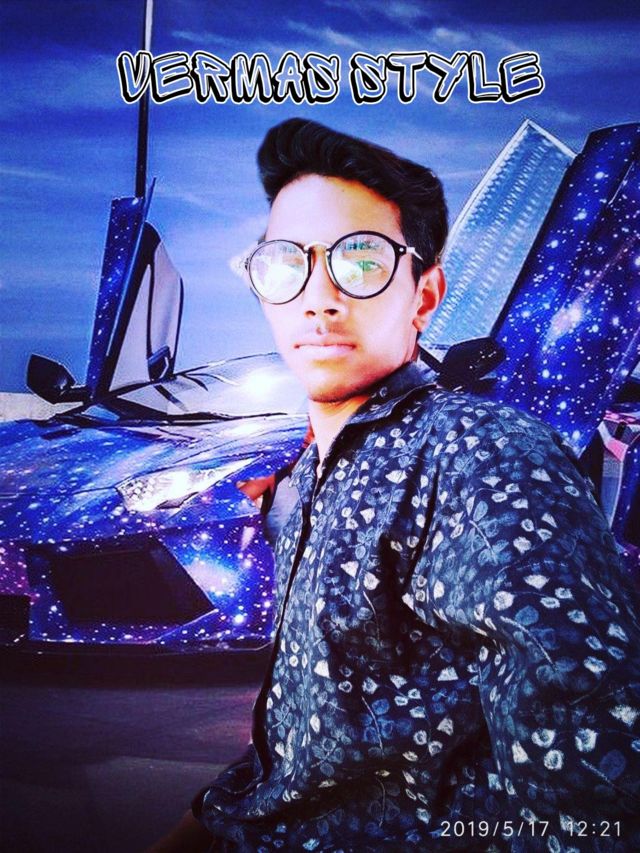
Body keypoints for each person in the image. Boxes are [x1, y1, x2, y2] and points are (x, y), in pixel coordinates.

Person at [148, 118, 640, 852]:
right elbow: (313, 735)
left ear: (425, 295)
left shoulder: (480, 456)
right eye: (285, 263)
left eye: (362, 260)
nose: (318, 298)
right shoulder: (315, 475)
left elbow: (592, 783)